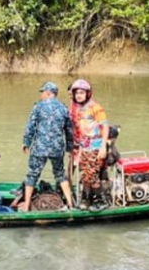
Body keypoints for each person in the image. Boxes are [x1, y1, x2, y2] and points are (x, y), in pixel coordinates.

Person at [21, 82, 75, 212]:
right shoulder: (63, 108)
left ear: (48, 92)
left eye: (42, 92)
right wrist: (70, 148)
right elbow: (69, 130)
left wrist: (26, 143)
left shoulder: (38, 107)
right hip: (57, 148)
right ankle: (70, 204)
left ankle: (27, 205)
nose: (41, 95)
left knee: (32, 175)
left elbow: (30, 126)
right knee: (60, 174)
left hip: (40, 147)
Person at [69, 79, 110, 212]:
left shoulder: (95, 107)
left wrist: (103, 146)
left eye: (82, 92)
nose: (79, 95)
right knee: (85, 175)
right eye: (77, 93)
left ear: (88, 93)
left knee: (92, 174)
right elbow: (80, 131)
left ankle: (102, 200)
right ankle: (86, 200)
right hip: (84, 146)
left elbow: (105, 126)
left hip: (96, 145)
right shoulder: (79, 109)